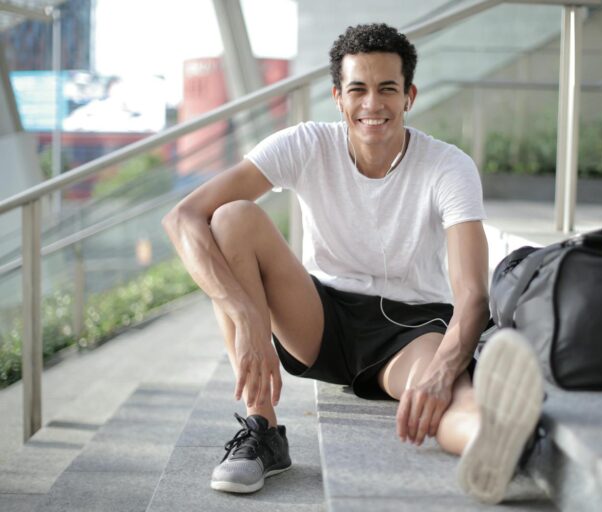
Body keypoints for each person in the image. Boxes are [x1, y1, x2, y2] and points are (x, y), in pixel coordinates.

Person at [162, 23, 543, 505]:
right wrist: (246, 317)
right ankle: (263, 430)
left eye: (387, 89)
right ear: (337, 97)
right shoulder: (304, 144)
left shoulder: (448, 166)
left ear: (410, 96)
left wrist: (446, 367)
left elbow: (471, 295)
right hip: (320, 318)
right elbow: (183, 218)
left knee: (444, 401)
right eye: (358, 89)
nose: (372, 104)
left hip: (412, 329)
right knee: (233, 218)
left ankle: (500, 445)